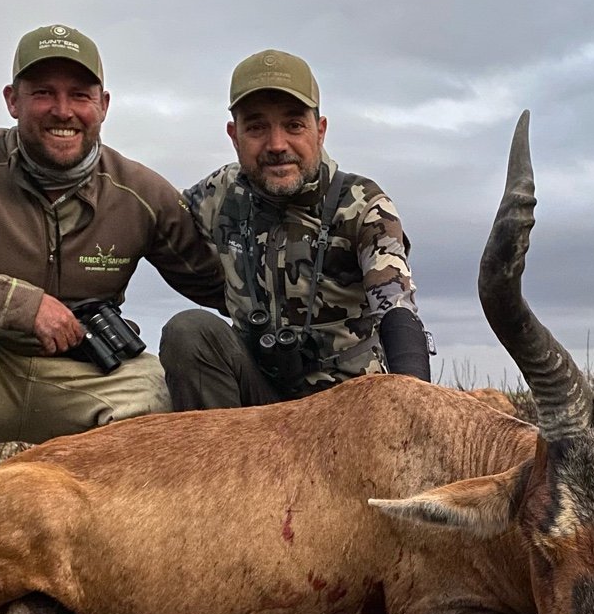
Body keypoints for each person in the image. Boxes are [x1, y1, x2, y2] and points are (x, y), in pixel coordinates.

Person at [0, 24, 225, 519]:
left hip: (81, 375)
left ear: (104, 104)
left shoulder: (141, 192)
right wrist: (20, 305)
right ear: (12, 100)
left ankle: (101, 533)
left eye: (79, 95)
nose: (63, 110)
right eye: (43, 94)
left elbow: (219, 286)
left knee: (158, 391)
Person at [159, 49, 432, 409]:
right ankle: (221, 462)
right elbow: (151, 214)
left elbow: (395, 306)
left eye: (294, 125)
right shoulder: (220, 193)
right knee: (189, 331)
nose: (276, 145)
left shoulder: (364, 204)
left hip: (349, 405)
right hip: (260, 397)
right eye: (256, 127)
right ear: (234, 135)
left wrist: (418, 402)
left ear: (320, 131)